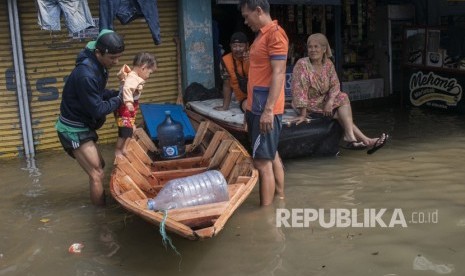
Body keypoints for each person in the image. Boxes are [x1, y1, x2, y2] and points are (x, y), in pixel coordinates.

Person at [55, 29, 125, 206]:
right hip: (73, 130)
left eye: (118, 57)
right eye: (112, 58)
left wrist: (116, 94)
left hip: (83, 125)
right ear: (98, 53)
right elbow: (98, 109)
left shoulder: (99, 65)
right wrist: (119, 99)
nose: (116, 62)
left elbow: (97, 94)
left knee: (100, 165)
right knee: (97, 173)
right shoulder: (86, 74)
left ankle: (101, 203)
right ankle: (101, 219)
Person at [291, 33, 388, 153]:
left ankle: (356, 139)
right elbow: (299, 90)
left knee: (342, 97)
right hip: (309, 104)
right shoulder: (302, 64)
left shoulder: (328, 64)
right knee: (338, 114)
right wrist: (302, 114)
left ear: (324, 49)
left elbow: (335, 85)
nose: (313, 50)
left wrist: (330, 102)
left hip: (325, 103)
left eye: (316, 47)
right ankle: (365, 140)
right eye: (310, 47)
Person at [240, 0, 288, 206]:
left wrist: (268, 110)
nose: (245, 21)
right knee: (271, 154)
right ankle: (280, 197)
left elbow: (278, 73)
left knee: (262, 163)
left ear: (258, 11)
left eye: (246, 16)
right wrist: (248, 111)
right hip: (256, 107)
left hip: (265, 109)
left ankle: (265, 216)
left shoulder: (275, 34)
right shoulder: (261, 35)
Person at [114, 52, 157, 157]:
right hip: (125, 107)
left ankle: (124, 148)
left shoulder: (134, 76)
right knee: (125, 131)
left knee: (130, 129)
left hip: (128, 108)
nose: (148, 76)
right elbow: (127, 88)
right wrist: (128, 102)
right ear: (143, 67)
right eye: (149, 73)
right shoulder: (133, 77)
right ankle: (118, 150)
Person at [214, 32, 250, 112]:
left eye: (241, 46)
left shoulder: (255, 54)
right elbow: (227, 85)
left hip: (261, 94)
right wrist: (224, 107)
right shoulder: (225, 61)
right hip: (245, 98)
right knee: (248, 107)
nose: (237, 49)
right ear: (230, 46)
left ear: (247, 45)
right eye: (234, 46)